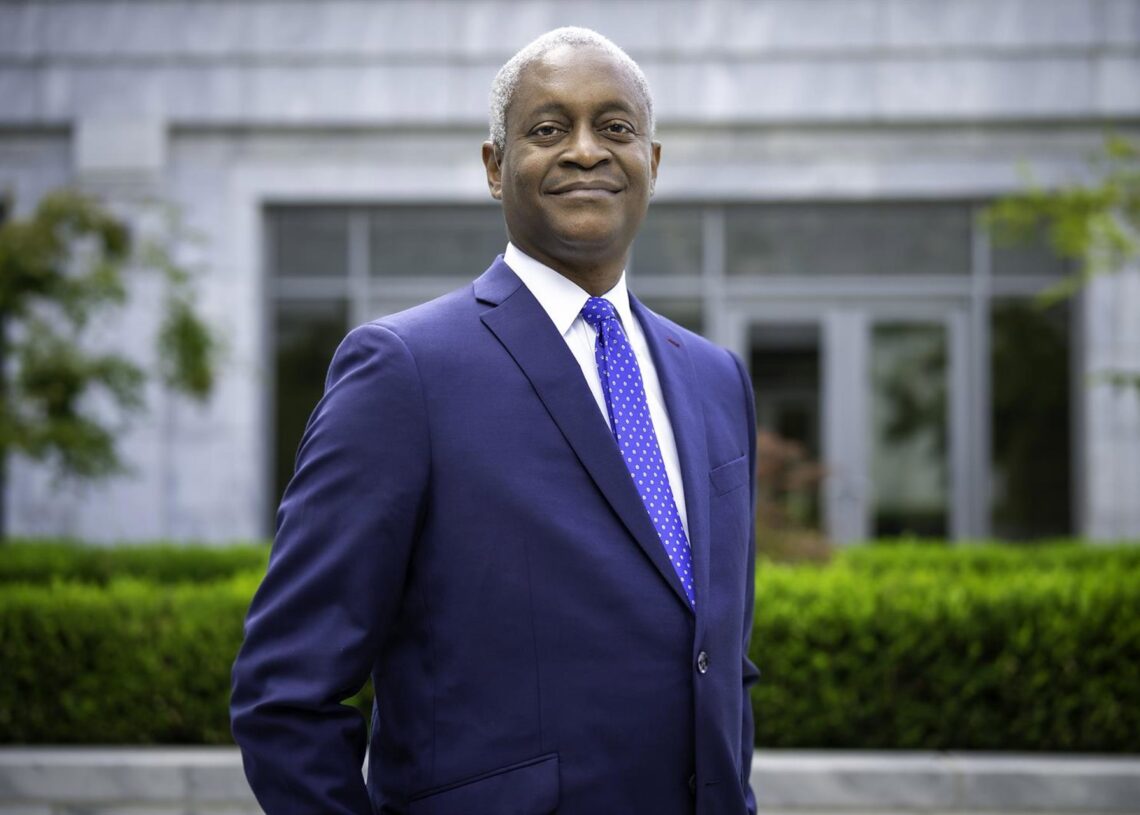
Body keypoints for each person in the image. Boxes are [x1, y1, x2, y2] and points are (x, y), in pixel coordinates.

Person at [231, 26, 759, 815]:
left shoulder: (716, 379)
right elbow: (285, 693)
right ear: (494, 166)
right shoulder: (403, 372)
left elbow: (720, 659)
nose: (586, 150)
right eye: (548, 129)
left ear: (653, 161)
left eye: (616, 128)